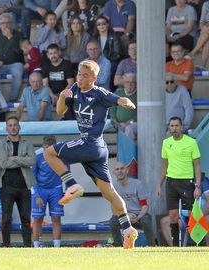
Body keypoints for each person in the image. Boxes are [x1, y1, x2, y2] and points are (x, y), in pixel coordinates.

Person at [43, 59, 139, 249]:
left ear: (94, 78)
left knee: (49, 153)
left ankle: (72, 185)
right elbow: (61, 111)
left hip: (91, 143)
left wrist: (126, 101)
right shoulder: (75, 90)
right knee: (109, 192)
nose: (80, 77)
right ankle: (128, 230)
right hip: (96, 149)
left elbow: (117, 99)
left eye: (85, 75)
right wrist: (62, 96)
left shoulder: (99, 93)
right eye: (79, 73)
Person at [157, 116, 201, 247]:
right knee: (173, 216)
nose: (174, 128)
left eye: (177, 126)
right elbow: (164, 165)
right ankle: (176, 246)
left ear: (181, 127)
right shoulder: (166, 143)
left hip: (187, 182)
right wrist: (159, 184)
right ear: (169, 128)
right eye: (172, 126)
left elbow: (197, 165)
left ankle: (196, 244)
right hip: (171, 182)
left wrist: (197, 186)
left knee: (192, 215)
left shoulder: (191, 142)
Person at [0, 116, 36, 247]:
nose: (13, 127)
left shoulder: (27, 143)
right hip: (7, 186)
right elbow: (3, 163)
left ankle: (27, 246)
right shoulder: (1, 144)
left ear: (19, 127)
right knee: (6, 219)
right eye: (10, 125)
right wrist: (22, 160)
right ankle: (6, 246)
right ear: (7, 128)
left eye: (15, 125)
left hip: (25, 186)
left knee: (26, 218)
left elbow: (32, 161)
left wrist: (15, 158)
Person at [109, 162, 155, 247]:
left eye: (122, 168)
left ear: (127, 170)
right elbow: (114, 208)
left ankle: (151, 245)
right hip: (123, 215)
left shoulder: (138, 184)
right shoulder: (113, 188)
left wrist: (138, 217)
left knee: (146, 221)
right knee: (113, 221)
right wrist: (126, 216)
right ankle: (118, 245)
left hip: (139, 215)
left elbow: (145, 206)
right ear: (114, 173)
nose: (120, 171)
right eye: (117, 169)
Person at [32, 136, 64, 248]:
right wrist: (36, 194)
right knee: (37, 218)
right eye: (45, 149)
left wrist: (70, 190)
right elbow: (32, 176)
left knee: (56, 218)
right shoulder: (37, 155)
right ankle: (36, 246)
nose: (47, 152)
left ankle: (57, 247)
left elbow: (66, 172)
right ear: (43, 147)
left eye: (50, 149)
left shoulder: (61, 154)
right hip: (40, 189)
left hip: (56, 189)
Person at [0, 13, 24, 102]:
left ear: (12, 24)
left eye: (8, 22)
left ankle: (13, 98)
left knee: (17, 72)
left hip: (16, 63)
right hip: (1, 65)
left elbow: (20, 52)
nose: (6, 25)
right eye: (3, 23)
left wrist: (10, 37)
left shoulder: (19, 35)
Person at [109, 73, 137, 141]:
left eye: (132, 82)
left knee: (129, 128)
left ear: (136, 83)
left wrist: (129, 122)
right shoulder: (118, 93)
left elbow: (141, 113)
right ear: (124, 83)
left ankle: (127, 151)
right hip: (117, 123)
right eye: (127, 82)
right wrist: (116, 121)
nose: (130, 85)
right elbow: (112, 109)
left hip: (133, 123)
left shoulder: (139, 94)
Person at [186, 1, 209, 70]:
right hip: (206, 29)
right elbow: (202, 21)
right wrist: (203, 29)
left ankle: (193, 52)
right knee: (207, 40)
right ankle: (203, 65)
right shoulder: (206, 4)